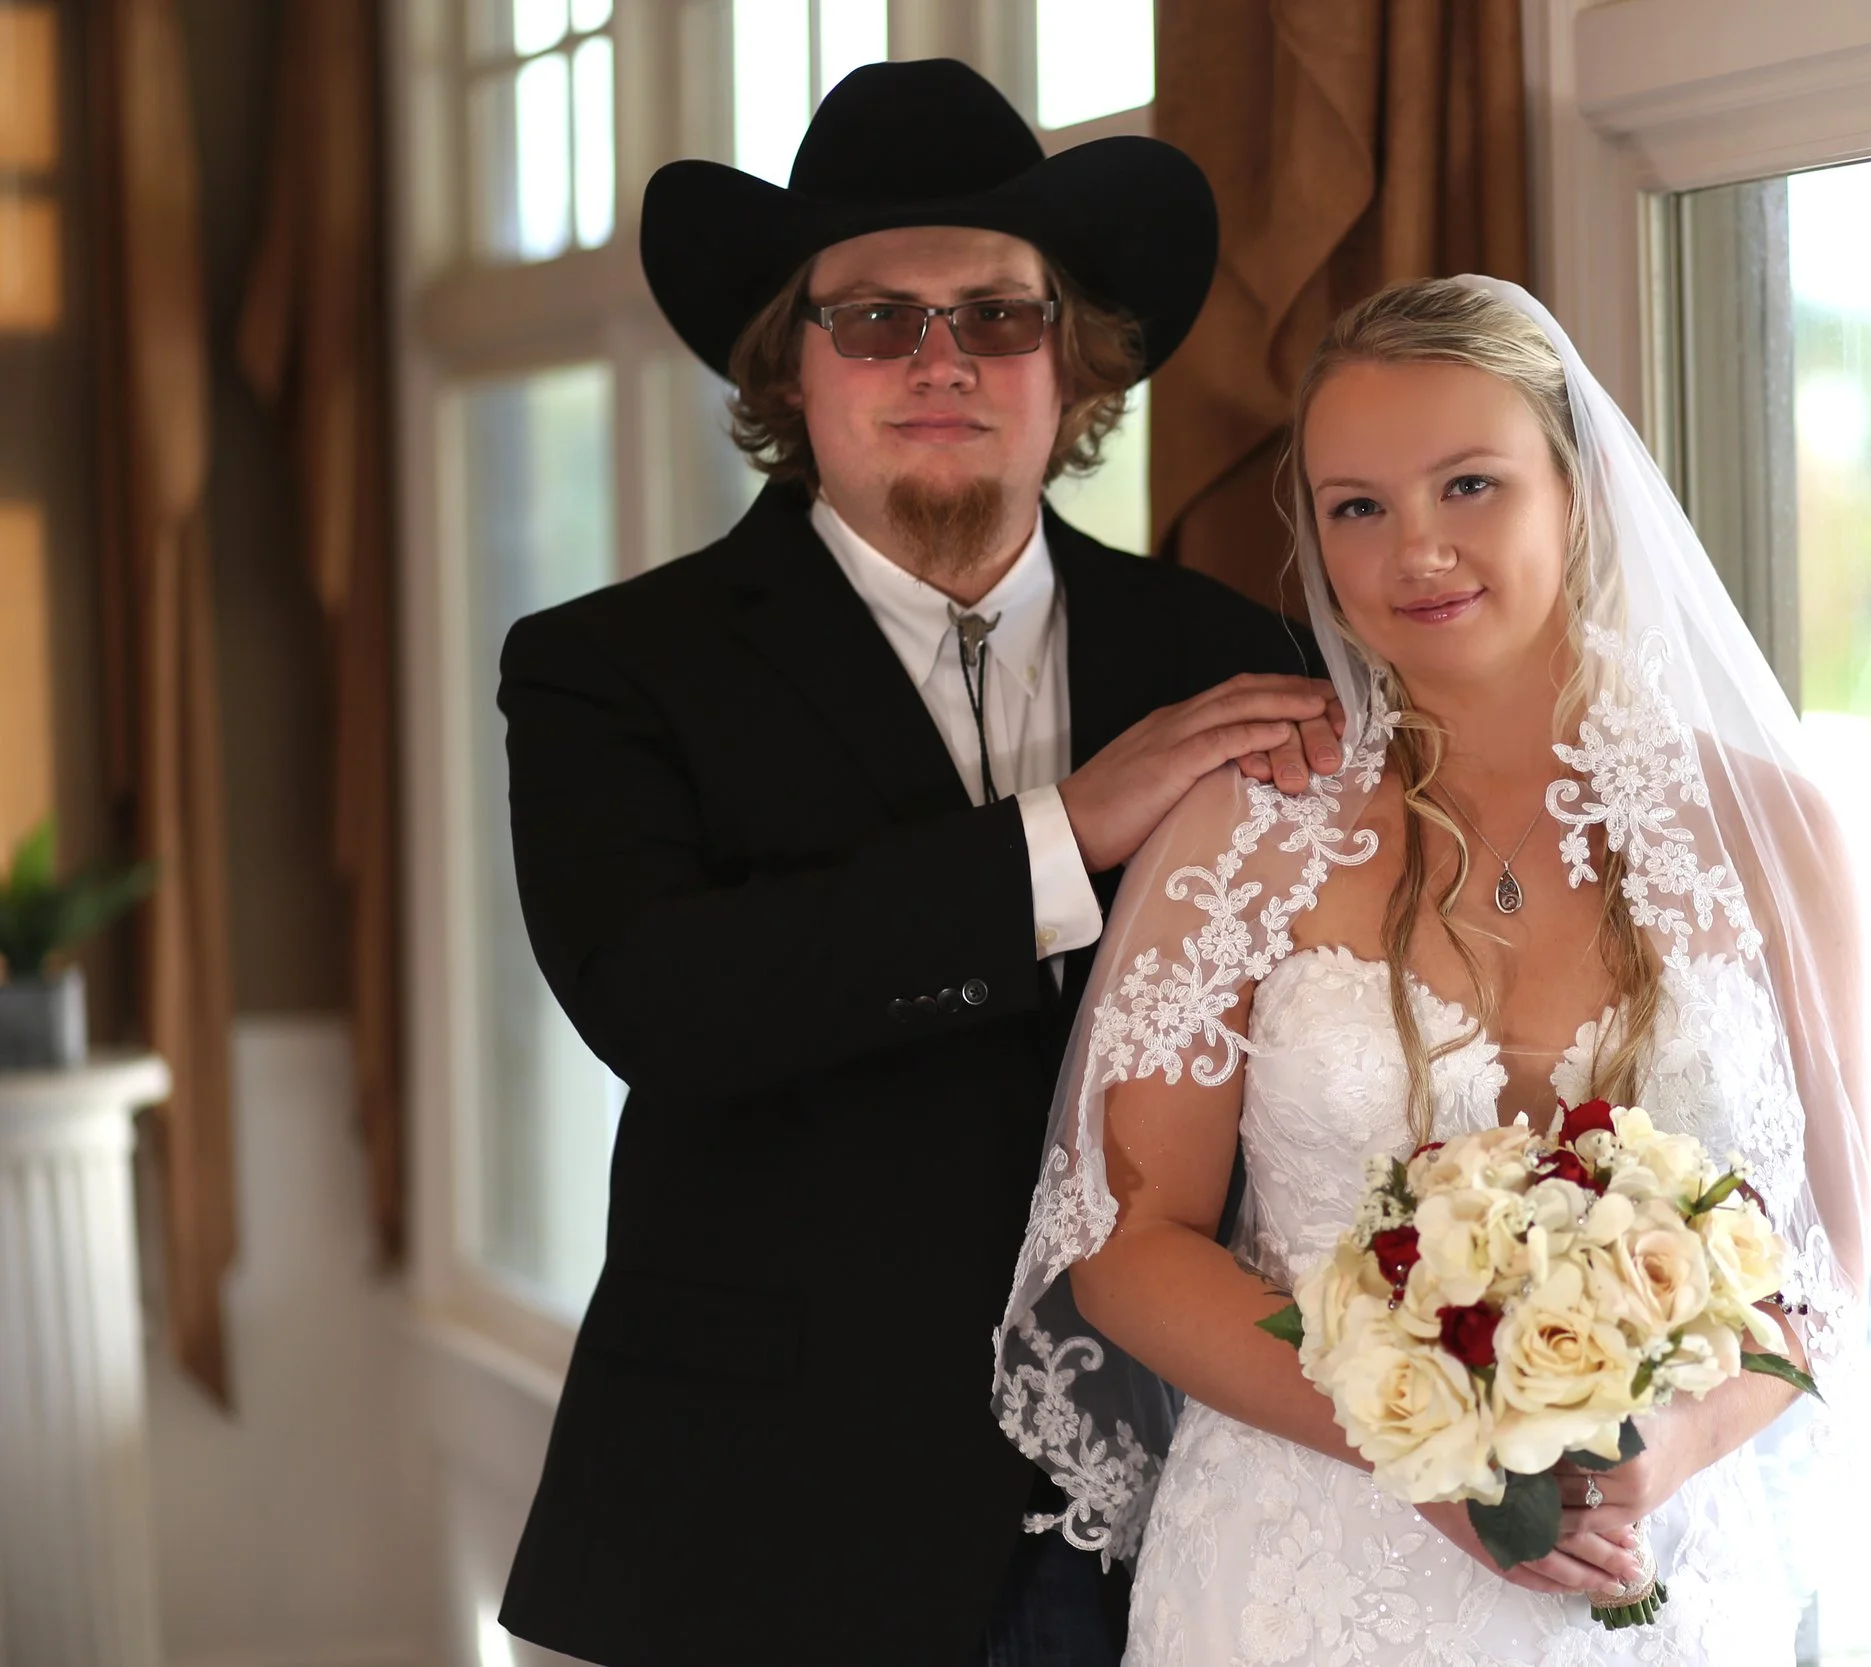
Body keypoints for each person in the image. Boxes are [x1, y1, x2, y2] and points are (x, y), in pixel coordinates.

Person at [495, 59, 1340, 1667]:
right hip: (757, 1531)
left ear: (1070, 362)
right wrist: (1066, 834)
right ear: (788, 366)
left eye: (998, 315)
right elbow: (667, 1004)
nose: (939, 359)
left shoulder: (1232, 657)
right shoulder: (607, 666)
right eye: (874, 316)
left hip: (1182, 1523)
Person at [994, 276, 1871, 1664]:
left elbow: (1826, 1247)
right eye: (1358, 506)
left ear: (1575, 487)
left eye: (1470, 485)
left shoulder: (1770, 834)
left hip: (1657, 1583)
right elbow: (1124, 1245)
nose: (1418, 551)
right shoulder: (1248, 828)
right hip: (1304, 1580)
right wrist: (1427, 1444)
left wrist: (1678, 1439)